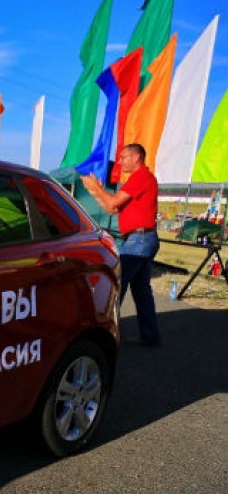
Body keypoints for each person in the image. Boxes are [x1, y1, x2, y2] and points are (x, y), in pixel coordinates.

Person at [80, 142, 161, 345]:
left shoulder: (141, 177)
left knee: (117, 286)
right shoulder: (140, 179)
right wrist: (95, 191)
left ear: (136, 157)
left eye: (124, 157)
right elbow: (110, 208)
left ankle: (105, 337)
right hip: (143, 238)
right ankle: (150, 335)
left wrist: (96, 188)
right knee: (142, 290)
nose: (120, 161)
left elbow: (113, 203)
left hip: (138, 240)